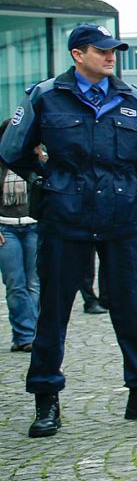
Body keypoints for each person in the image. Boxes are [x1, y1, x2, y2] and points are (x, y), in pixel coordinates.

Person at [1, 23, 137, 437]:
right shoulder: (45, 96)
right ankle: (46, 399)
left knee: (132, 307)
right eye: (101, 50)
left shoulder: (130, 98)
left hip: (122, 217)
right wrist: (47, 179)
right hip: (66, 217)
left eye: (113, 50)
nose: (110, 56)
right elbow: (12, 150)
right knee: (54, 311)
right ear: (77, 55)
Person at [0, 151, 39, 352]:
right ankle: (27, 334)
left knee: (33, 283)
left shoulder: (38, 163)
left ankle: (26, 335)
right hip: (5, 229)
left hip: (34, 227)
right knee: (15, 283)